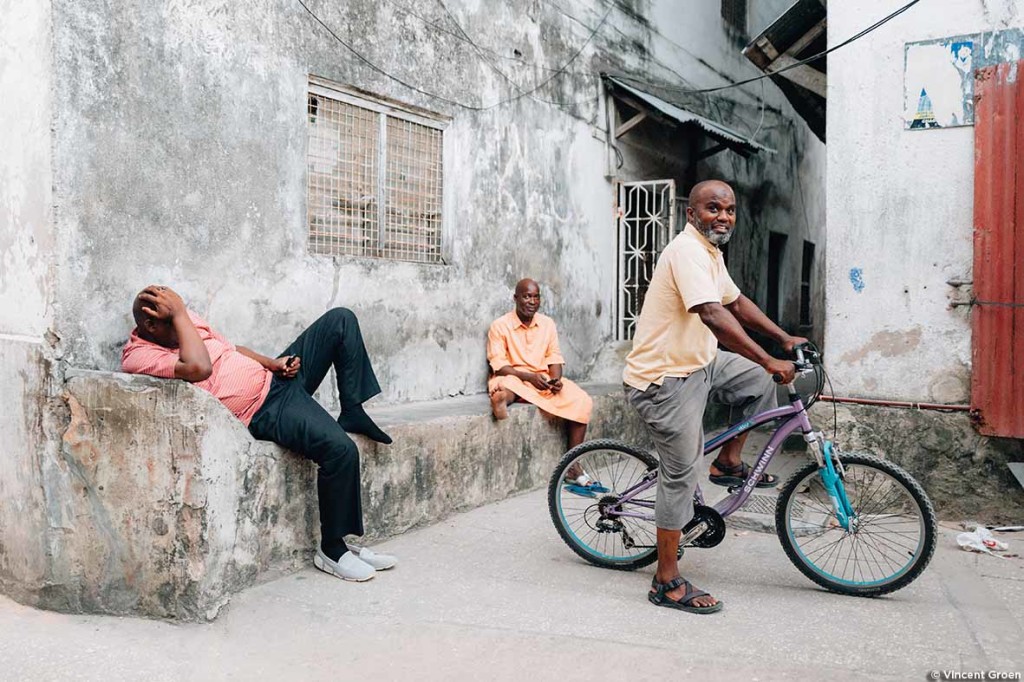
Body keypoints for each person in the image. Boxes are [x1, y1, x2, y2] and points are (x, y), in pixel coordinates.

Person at [121, 285, 396, 583]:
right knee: (341, 451)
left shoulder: (184, 320)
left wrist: (273, 364)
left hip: (275, 380)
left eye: (182, 313)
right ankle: (333, 549)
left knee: (341, 320)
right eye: (175, 318)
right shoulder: (139, 356)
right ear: (150, 325)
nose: (185, 319)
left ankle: (352, 410)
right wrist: (180, 316)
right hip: (263, 410)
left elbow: (230, 350)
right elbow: (199, 367)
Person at [623, 180, 807, 614]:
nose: (723, 217)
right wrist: (767, 357)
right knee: (681, 474)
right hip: (664, 379)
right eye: (713, 209)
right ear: (692, 213)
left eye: (729, 210)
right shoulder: (686, 252)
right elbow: (712, 313)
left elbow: (736, 302)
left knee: (760, 383)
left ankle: (727, 461)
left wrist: (783, 339)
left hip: (699, 364)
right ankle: (665, 581)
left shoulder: (710, 253)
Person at [487, 279, 600, 496]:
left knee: (581, 399)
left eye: (536, 296)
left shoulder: (547, 324)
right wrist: (528, 376)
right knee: (505, 383)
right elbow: (499, 365)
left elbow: (554, 357)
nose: (532, 301)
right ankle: (502, 399)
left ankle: (573, 466)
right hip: (516, 376)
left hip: (542, 381)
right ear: (516, 298)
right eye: (526, 296)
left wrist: (556, 380)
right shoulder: (500, 325)